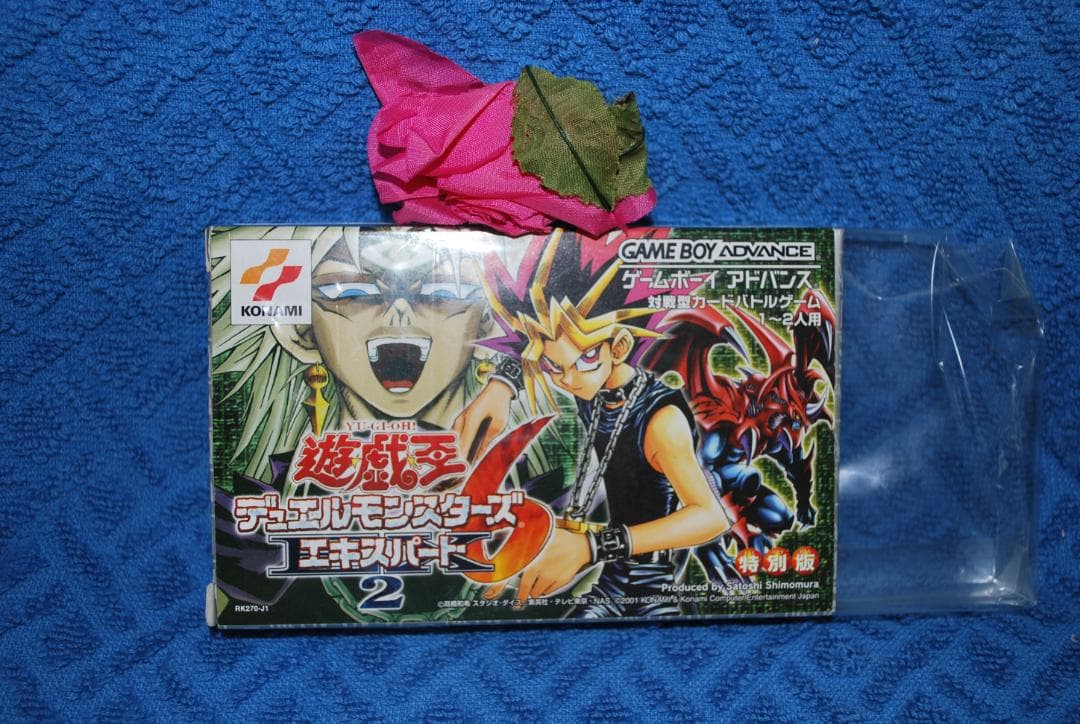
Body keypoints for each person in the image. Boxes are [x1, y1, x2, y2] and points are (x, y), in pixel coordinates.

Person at [477, 229, 730, 617]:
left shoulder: (660, 421)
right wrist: (500, 385)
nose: (567, 379)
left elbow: (710, 517)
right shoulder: (591, 385)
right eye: (553, 367)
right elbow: (532, 342)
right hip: (609, 582)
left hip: (651, 592)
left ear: (621, 347)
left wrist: (591, 548)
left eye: (584, 359)